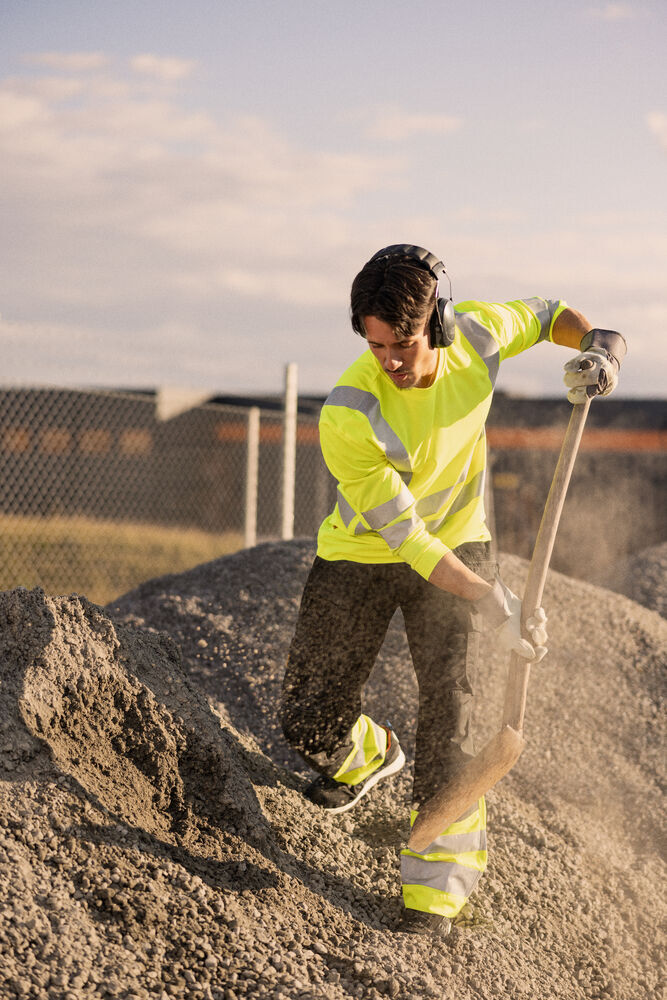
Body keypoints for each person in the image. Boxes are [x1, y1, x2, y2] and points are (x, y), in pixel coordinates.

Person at [280, 244, 626, 937]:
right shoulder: (348, 411)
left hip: (461, 540)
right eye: (376, 346)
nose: (391, 360)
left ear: (434, 321)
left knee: (455, 713)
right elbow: (407, 540)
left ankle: (435, 890)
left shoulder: (475, 332)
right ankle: (368, 755)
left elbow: (548, 314)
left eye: (401, 342)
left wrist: (597, 349)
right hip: (364, 551)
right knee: (307, 717)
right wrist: (489, 599)